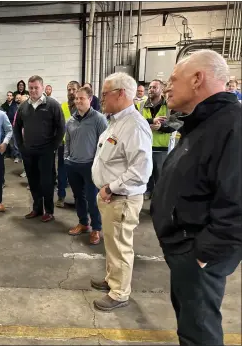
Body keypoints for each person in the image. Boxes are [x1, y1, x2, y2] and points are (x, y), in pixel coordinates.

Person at [151, 49, 242, 346]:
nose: (167, 87)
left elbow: (237, 204)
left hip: (200, 254)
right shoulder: (203, 121)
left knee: (199, 334)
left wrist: (204, 255)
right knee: (190, 326)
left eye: (173, 80)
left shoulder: (232, 126)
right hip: (186, 248)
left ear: (197, 79)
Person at [90, 72, 152, 311]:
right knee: (112, 244)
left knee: (121, 246)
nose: (101, 98)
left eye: (105, 93)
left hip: (121, 198)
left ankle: (119, 293)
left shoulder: (134, 125)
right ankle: (112, 279)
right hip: (111, 197)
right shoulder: (117, 121)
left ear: (121, 94)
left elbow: (141, 170)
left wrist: (111, 187)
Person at [13, 75, 65, 222]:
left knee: (47, 182)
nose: (33, 90)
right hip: (29, 151)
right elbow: (16, 127)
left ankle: (48, 211)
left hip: (46, 152)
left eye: (36, 87)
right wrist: (21, 147)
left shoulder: (53, 105)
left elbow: (61, 127)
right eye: (31, 88)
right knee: (33, 181)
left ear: (42, 87)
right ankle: (37, 208)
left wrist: (53, 147)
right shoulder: (23, 107)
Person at [65, 86, 107, 244]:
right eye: (76, 98)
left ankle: (96, 229)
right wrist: (66, 158)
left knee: (92, 198)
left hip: (91, 165)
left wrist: (98, 163)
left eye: (81, 98)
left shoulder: (99, 119)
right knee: (78, 197)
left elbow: (105, 144)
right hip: (73, 165)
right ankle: (83, 223)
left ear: (90, 99)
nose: (78, 101)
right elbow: (67, 141)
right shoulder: (70, 120)